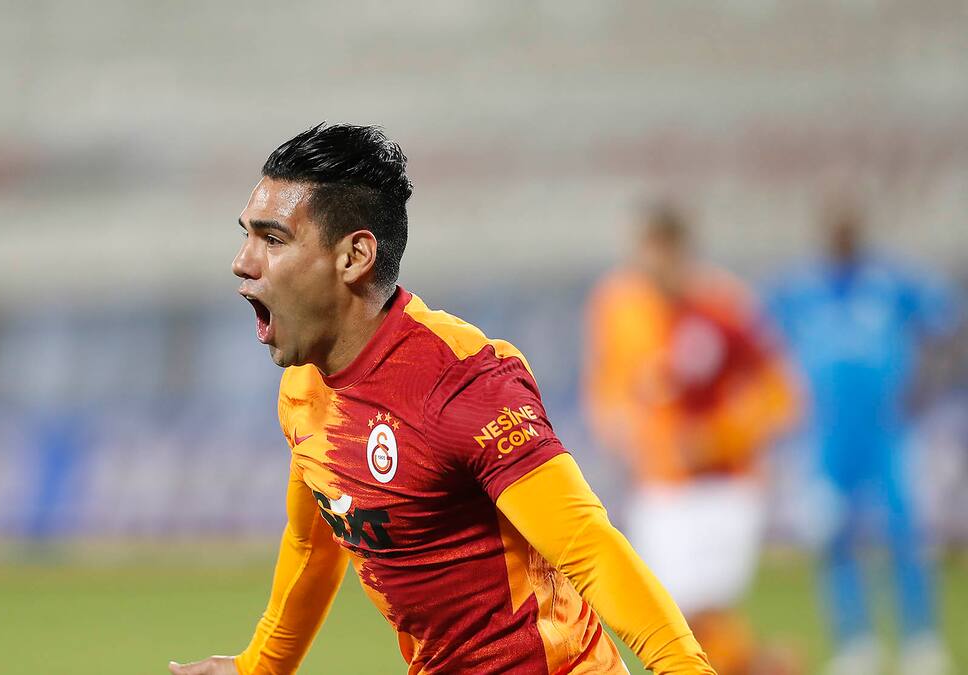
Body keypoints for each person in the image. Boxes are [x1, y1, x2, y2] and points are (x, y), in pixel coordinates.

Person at [169, 124, 715, 674]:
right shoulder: (304, 386)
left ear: (355, 256)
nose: (243, 261)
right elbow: (314, 540)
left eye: (272, 240)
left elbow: (589, 547)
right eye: (247, 236)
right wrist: (258, 667)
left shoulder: (462, 383)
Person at [582, 204, 800, 675]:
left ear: (682, 251)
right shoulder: (618, 305)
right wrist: (620, 429)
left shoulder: (725, 304)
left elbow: (780, 394)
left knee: (694, 612)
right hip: (658, 485)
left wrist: (718, 437)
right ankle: (767, 666)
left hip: (723, 484)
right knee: (673, 616)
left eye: (661, 252)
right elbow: (608, 385)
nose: (651, 264)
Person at [768, 201, 957, 675]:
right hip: (829, 437)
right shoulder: (801, 289)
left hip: (885, 431)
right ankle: (856, 644)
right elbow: (760, 343)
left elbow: (948, 321)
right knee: (834, 537)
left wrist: (925, 385)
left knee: (905, 532)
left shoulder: (891, 280)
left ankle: (920, 641)